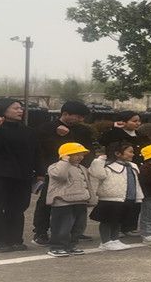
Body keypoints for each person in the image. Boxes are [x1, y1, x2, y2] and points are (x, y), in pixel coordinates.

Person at [0, 98, 42, 252]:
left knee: (17, 208)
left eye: (21, 108)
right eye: (16, 108)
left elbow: (36, 152)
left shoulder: (27, 131)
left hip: (21, 176)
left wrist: (40, 172)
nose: (20, 110)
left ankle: (13, 240)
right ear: (2, 109)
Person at [32, 101, 93, 246]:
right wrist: (41, 171)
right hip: (54, 171)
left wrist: (83, 168)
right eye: (78, 116)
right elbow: (41, 150)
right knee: (48, 201)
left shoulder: (83, 130)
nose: (81, 120)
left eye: (83, 117)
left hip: (77, 172)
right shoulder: (47, 128)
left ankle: (74, 231)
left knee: (77, 202)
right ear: (65, 114)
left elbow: (89, 150)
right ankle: (40, 232)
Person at [98, 110, 150, 236]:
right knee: (121, 199)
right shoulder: (115, 133)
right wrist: (115, 128)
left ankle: (129, 227)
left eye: (139, 121)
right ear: (123, 121)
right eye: (134, 121)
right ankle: (117, 227)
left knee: (135, 198)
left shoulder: (141, 135)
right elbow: (102, 141)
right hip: (118, 169)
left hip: (136, 168)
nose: (138, 123)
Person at [88, 142, 144, 251]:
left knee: (118, 220)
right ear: (118, 153)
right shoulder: (107, 165)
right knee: (107, 220)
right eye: (130, 152)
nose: (133, 154)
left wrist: (138, 196)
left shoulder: (133, 166)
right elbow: (98, 174)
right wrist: (99, 160)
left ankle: (115, 239)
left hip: (126, 198)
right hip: (110, 198)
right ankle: (105, 242)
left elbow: (136, 182)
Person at [46, 143, 95, 257]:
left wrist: (91, 198)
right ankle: (57, 247)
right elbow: (60, 175)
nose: (80, 157)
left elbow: (88, 184)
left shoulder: (82, 168)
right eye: (76, 154)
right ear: (66, 155)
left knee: (79, 226)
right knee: (62, 226)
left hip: (80, 201)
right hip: (62, 202)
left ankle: (71, 245)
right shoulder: (55, 167)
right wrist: (64, 161)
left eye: (82, 155)